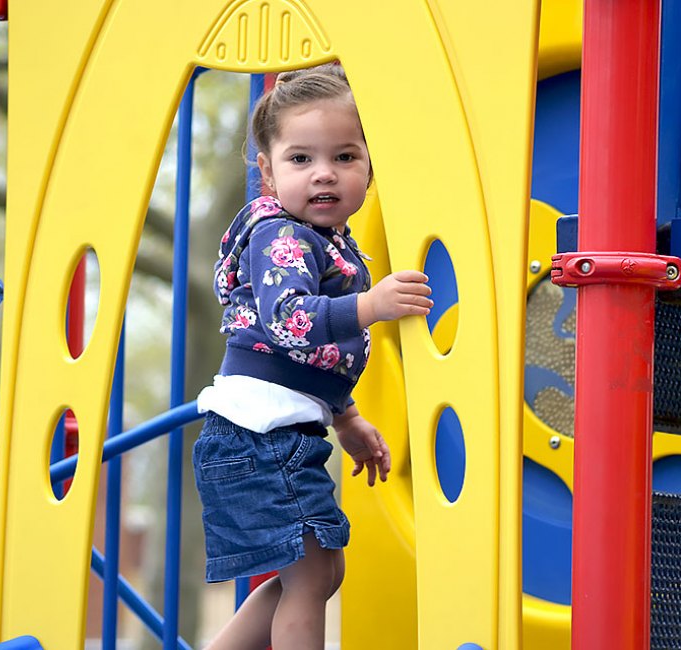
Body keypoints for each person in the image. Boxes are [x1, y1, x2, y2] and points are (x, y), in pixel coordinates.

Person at [193, 64, 432, 650]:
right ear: (268, 172)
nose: (324, 174)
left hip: (272, 432)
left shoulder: (327, 242)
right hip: (258, 437)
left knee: (322, 569)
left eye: (345, 157)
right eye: (301, 160)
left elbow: (308, 361)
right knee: (309, 573)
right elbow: (289, 322)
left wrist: (346, 419)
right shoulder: (282, 237)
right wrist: (370, 306)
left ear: (369, 170)